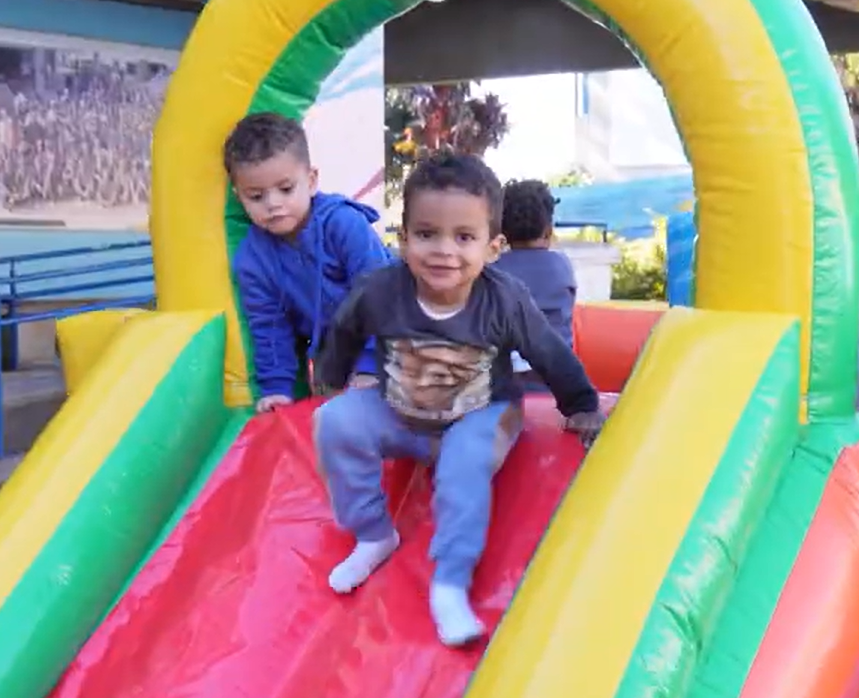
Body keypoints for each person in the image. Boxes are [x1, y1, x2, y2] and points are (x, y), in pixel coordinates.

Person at [311, 152, 606, 647]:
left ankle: (450, 582)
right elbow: (344, 331)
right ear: (403, 239)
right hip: (403, 412)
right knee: (334, 422)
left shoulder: (504, 299)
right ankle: (373, 533)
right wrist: (332, 379)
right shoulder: (380, 291)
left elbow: (548, 351)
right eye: (427, 234)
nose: (443, 251)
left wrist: (580, 405)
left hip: (482, 411)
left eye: (463, 237)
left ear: (493, 248)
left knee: (464, 461)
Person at [225, 111, 394, 411]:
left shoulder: (343, 224)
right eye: (256, 196)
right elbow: (269, 326)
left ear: (311, 180)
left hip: (397, 336)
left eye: (286, 189)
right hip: (333, 354)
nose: (273, 204)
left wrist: (369, 364)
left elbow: (380, 294)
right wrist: (277, 388)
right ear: (239, 197)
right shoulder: (253, 260)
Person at [493, 179, 578, 390]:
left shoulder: (491, 271)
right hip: (556, 380)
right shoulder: (562, 267)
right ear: (548, 231)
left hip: (502, 381)